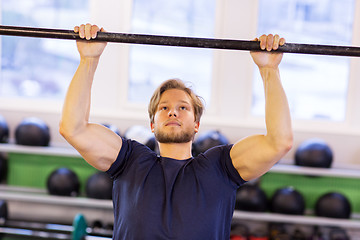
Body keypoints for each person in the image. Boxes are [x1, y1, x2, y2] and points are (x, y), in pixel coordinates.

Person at [59, 23, 293, 240]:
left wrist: (269, 70)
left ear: (196, 124)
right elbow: (73, 128)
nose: (173, 113)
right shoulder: (131, 161)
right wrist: (88, 59)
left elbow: (278, 142)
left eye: (183, 107)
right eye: (164, 108)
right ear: (152, 124)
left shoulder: (219, 167)